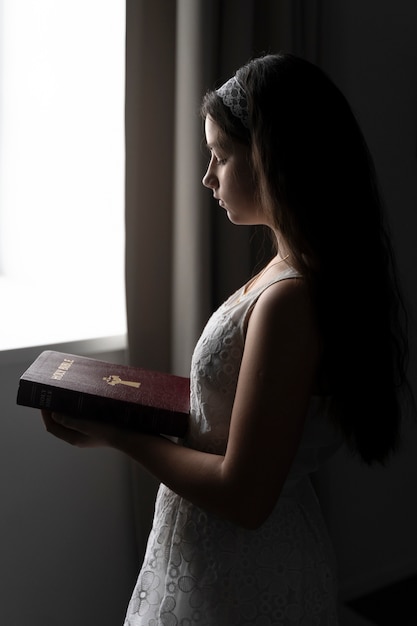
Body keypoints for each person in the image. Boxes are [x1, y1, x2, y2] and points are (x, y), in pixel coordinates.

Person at [42, 53, 410, 625]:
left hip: (245, 568)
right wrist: (128, 415)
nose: (208, 177)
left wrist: (122, 436)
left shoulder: (291, 299)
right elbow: (237, 416)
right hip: (224, 552)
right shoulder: (283, 271)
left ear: (270, 158)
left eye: (219, 156)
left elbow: (245, 495)